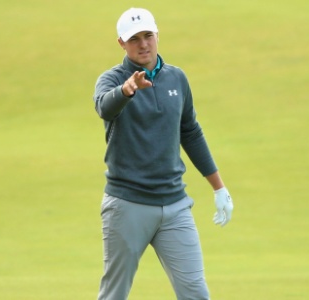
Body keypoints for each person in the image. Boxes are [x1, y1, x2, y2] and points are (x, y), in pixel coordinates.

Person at [93, 7, 234, 300]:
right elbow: (105, 107)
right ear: (121, 43)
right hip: (127, 205)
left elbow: (191, 132)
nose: (143, 44)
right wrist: (128, 89)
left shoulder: (176, 79)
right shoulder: (111, 80)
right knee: (114, 294)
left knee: (196, 292)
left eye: (148, 36)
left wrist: (219, 188)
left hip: (174, 206)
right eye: (134, 39)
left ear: (157, 35)